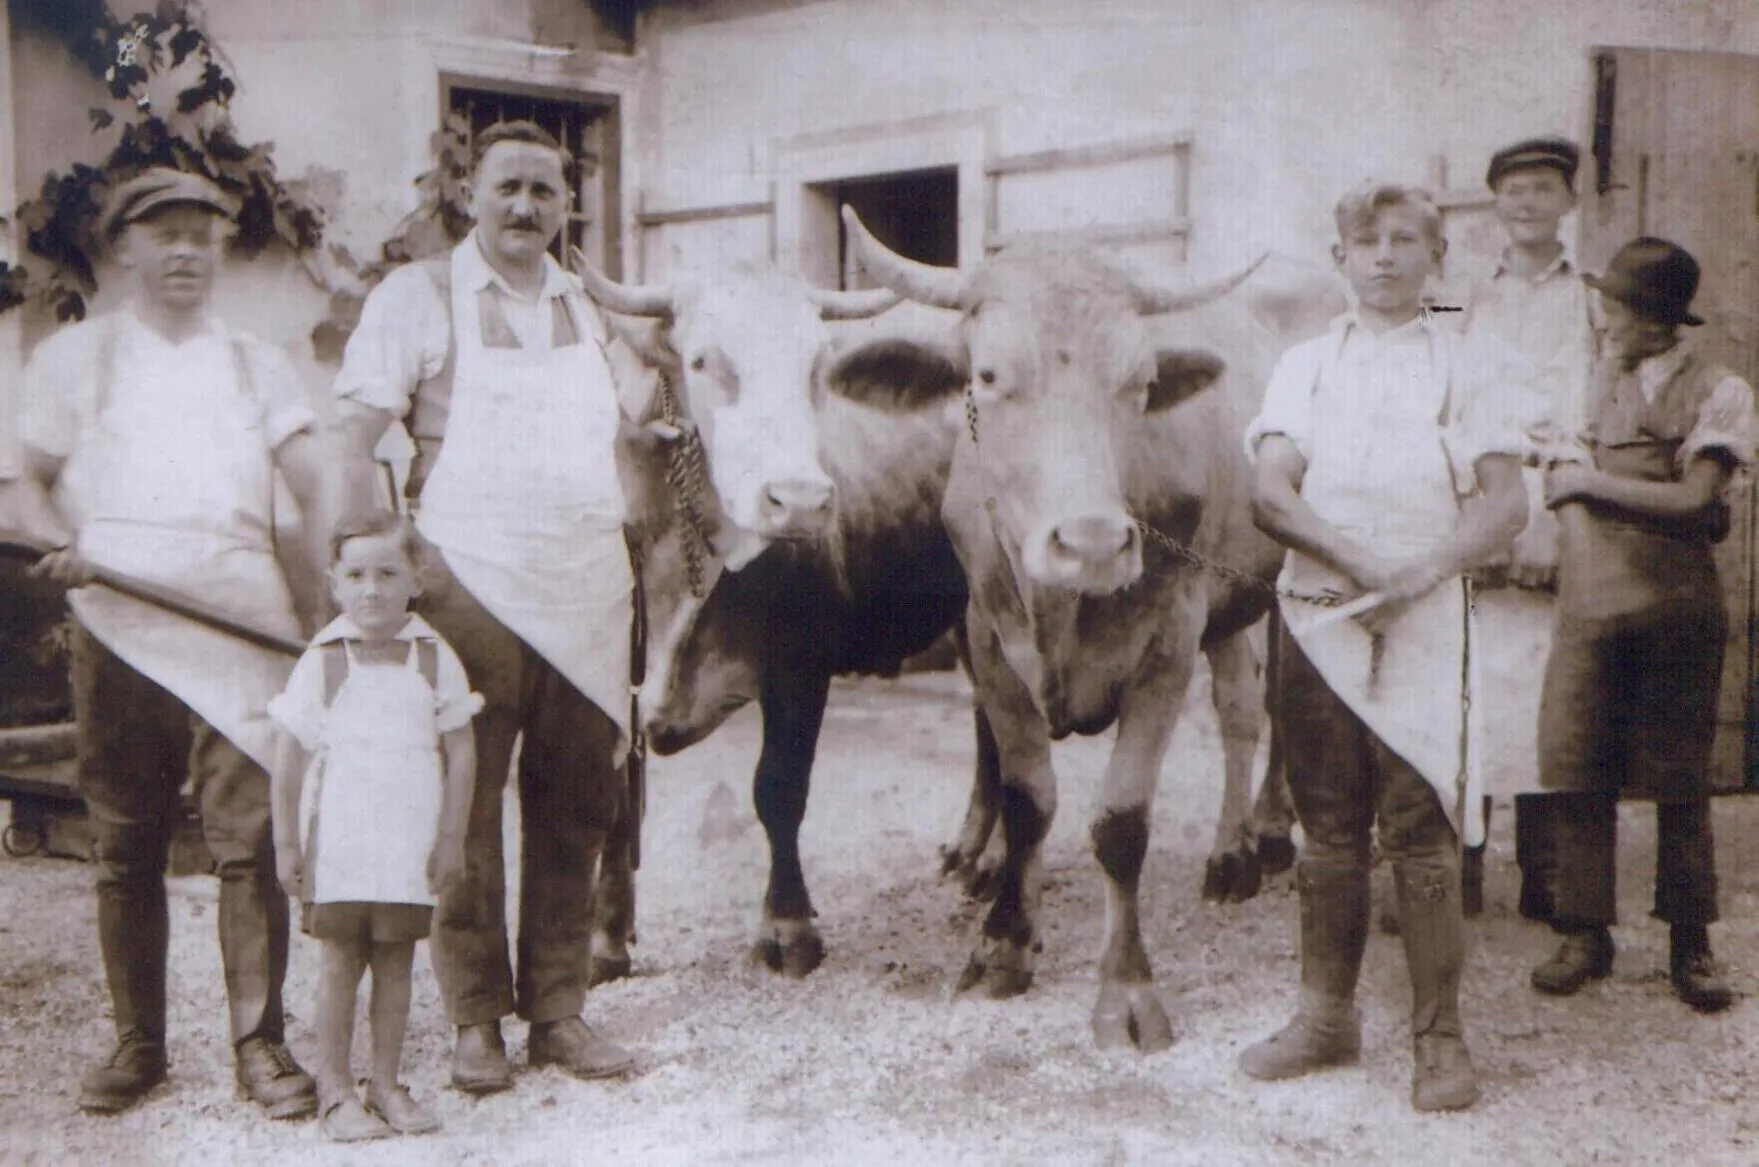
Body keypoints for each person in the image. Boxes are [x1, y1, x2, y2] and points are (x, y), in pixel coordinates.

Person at [329, 120, 645, 1092]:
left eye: (543, 193)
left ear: (566, 208)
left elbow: (639, 434)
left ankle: (558, 1009)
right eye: (508, 187)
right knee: (463, 808)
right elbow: (351, 440)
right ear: (470, 195)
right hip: (466, 582)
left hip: (588, 587)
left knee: (576, 804)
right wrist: (360, 577)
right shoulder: (417, 296)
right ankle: (476, 1020)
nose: (524, 209)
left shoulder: (592, 306)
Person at [13, 168, 326, 1117]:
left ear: (222, 247)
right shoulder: (78, 359)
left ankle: (260, 1044)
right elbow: (22, 481)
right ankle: (137, 1042)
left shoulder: (256, 362)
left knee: (250, 842)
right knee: (125, 840)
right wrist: (59, 544)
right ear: (125, 249)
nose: (186, 250)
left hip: (240, 624)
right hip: (120, 618)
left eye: (203, 233)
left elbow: (316, 486)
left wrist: (328, 603)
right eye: (165, 235)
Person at [1237, 182, 1528, 1112]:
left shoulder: (1464, 365)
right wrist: (1360, 564)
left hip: (1423, 619)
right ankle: (1325, 1015)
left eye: (1408, 240)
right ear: (1340, 259)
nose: (1386, 255)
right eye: (1367, 240)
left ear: (1435, 261)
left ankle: (1438, 1037)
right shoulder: (1304, 366)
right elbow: (1270, 496)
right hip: (1320, 617)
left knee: (1420, 833)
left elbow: (1504, 503)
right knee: (1326, 831)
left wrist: (1411, 576)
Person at [1529, 237, 1751, 1013]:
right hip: (1589, 603)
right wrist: (1588, 485)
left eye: (1616, 305)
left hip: (1676, 612)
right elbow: (1554, 482)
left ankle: (1690, 944)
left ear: (1654, 319)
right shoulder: (1582, 385)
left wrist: (1591, 481)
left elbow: (1695, 500)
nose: (1604, 316)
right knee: (1574, 763)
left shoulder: (1721, 392)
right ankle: (1584, 932)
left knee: (1679, 778)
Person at [269, 510, 480, 1141]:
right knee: (339, 962)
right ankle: (334, 1091)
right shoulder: (326, 659)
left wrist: (450, 838)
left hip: (406, 842)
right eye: (356, 575)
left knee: (395, 963)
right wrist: (286, 843)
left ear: (417, 578)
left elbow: (462, 750)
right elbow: (288, 756)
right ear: (334, 584)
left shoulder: (435, 658)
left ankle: (385, 1083)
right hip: (341, 845)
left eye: (388, 573)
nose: (372, 589)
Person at [1457, 136, 1601, 922]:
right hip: (1476, 490)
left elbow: (1598, 401)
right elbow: (1428, 377)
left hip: (1555, 496)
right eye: (1511, 188)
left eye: (1542, 188)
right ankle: (1464, 860)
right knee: (1468, 683)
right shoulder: (1457, 295)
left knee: (1550, 685)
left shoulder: (1591, 298)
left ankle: (1542, 868)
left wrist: (1561, 505)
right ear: (1493, 203)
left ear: (1568, 203)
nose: (1525, 201)